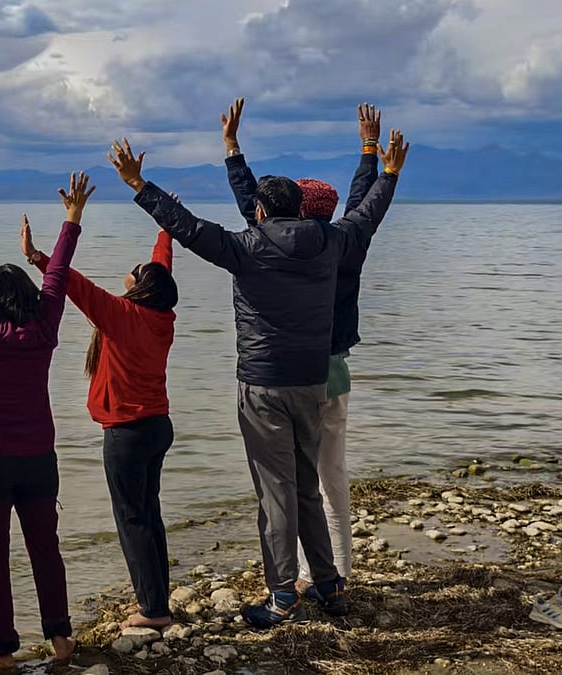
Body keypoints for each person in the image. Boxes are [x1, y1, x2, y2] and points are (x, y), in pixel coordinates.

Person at [108, 125, 408, 628]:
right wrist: (388, 171)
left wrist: (141, 187)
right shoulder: (331, 241)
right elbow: (367, 215)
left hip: (264, 385)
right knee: (306, 485)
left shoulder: (246, 247)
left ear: (262, 212)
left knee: (275, 492)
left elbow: (187, 227)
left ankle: (283, 594)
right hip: (313, 381)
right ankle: (330, 585)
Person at [220, 99, 390, 597]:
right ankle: (335, 574)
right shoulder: (343, 242)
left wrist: (232, 150)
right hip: (331, 373)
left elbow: (250, 205)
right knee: (327, 479)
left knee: (294, 483)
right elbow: (363, 205)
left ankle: (308, 580)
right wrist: (369, 152)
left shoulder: (271, 246)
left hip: (290, 374)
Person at [0, 167, 91, 667]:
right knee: (45, 552)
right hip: (37, 460)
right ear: (28, 300)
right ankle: (61, 640)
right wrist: (71, 219)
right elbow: (57, 276)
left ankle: (4, 653)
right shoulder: (45, 328)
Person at [20, 212, 179, 631]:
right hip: (157, 427)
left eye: (136, 272)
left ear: (141, 286)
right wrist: (165, 229)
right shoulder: (162, 316)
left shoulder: (121, 314)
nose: (132, 271)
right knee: (149, 514)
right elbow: (162, 265)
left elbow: (77, 286)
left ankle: (154, 609)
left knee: (132, 519)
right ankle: (156, 598)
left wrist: (38, 256)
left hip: (127, 433)